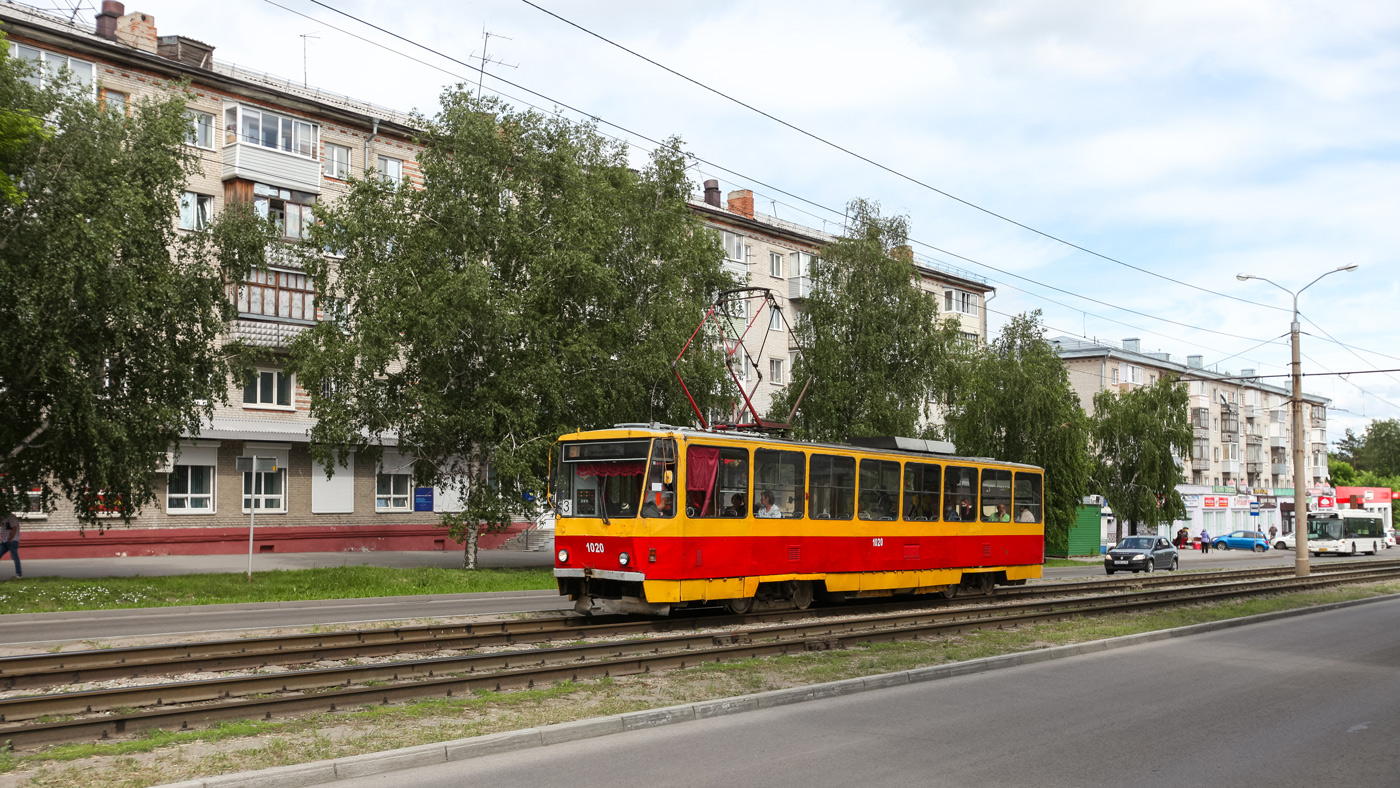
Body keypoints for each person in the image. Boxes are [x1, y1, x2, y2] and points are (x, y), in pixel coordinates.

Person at [0, 512, 20, 579]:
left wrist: (9, 539)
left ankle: (19, 574)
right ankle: (18, 574)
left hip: (12, 541)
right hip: (4, 541)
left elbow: (14, 528)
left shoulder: (11, 517)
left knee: (15, 557)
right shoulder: (3, 517)